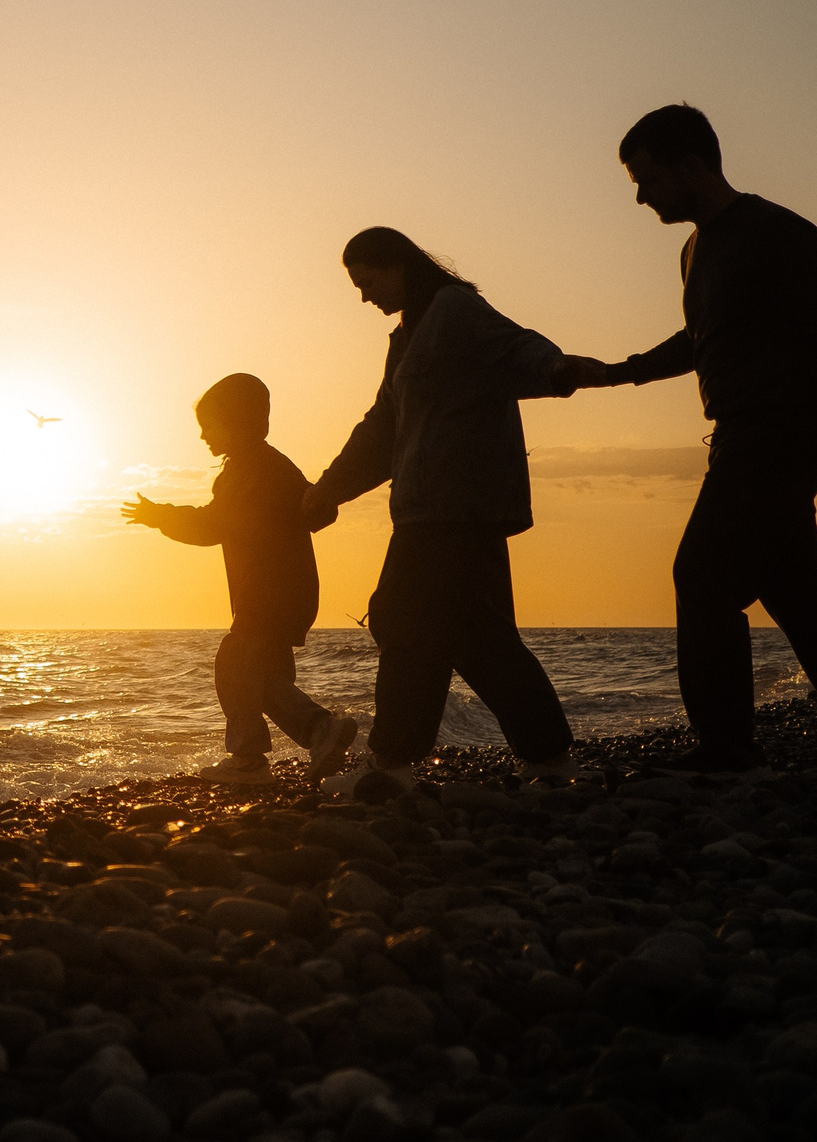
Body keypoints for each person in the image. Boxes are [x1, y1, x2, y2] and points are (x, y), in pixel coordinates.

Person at [566, 104, 817, 788]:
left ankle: (729, 752)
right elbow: (704, 339)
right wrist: (621, 370)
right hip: (742, 432)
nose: (640, 196)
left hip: (783, 430)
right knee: (793, 592)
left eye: (646, 179)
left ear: (692, 166)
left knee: (701, 576)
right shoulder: (694, 250)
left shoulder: (777, 233)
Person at [303, 228, 594, 798]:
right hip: (427, 507)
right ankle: (548, 758)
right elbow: (382, 429)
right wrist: (329, 488)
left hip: (457, 505)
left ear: (400, 265)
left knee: (400, 617)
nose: (365, 297)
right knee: (475, 634)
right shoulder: (404, 338)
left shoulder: (455, 310)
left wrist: (557, 370)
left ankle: (390, 763)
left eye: (368, 282)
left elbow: (518, 347)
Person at [123, 373, 362, 786]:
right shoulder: (274, 464)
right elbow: (318, 509)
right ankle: (320, 733)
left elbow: (212, 525)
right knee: (263, 680)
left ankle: (254, 757)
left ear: (237, 423)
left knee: (234, 666)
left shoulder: (247, 470)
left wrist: (160, 515)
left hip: (265, 595)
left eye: (209, 426)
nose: (202, 436)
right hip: (292, 593)